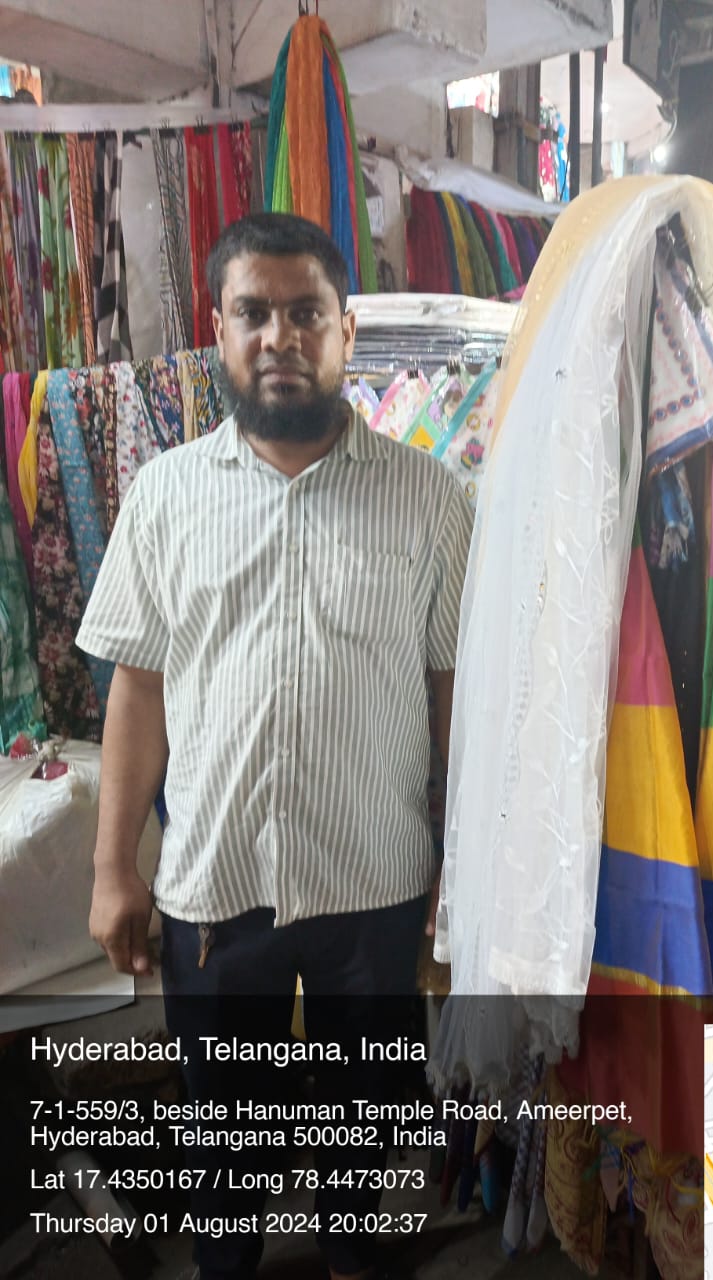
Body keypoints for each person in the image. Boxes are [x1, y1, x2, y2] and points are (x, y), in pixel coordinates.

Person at [78, 213, 474, 1280]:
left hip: (375, 878)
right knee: (223, 1126)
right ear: (219, 329)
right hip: (215, 885)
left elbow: (450, 691)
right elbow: (138, 687)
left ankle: (349, 1255)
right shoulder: (163, 497)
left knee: (363, 1111)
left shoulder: (429, 499)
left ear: (347, 331)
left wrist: (460, 861)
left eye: (306, 313)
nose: (279, 337)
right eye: (254, 312)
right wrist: (114, 869)